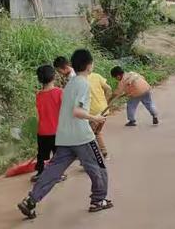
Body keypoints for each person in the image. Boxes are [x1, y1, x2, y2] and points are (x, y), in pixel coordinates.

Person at [17, 49, 112, 219]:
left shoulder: (71, 83)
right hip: (81, 136)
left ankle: (31, 200)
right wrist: (95, 117)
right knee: (98, 166)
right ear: (89, 65)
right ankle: (98, 200)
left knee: (53, 170)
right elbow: (77, 111)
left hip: (65, 136)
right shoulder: (83, 83)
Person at [31, 65, 64, 183]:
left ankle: (40, 172)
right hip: (57, 131)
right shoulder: (60, 92)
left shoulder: (38, 95)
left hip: (42, 131)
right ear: (54, 76)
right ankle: (57, 174)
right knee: (58, 155)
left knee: (42, 154)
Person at [88, 71, 112, 158]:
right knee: (97, 132)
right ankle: (104, 151)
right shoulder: (96, 76)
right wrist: (105, 101)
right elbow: (108, 88)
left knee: (88, 136)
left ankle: (91, 158)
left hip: (93, 113)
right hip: (104, 110)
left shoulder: (80, 80)